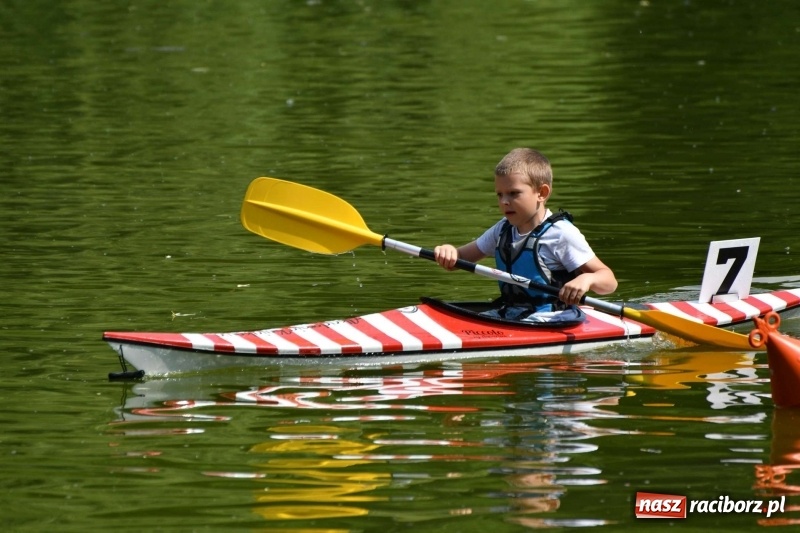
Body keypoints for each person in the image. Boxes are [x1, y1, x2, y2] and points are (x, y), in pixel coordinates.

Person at [433, 148, 617, 322]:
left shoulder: (561, 234)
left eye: (514, 193)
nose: (504, 201)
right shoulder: (502, 229)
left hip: (554, 318)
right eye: (499, 195)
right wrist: (448, 251)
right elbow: (460, 259)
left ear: (542, 193)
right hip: (511, 314)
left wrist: (587, 278)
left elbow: (609, 281)